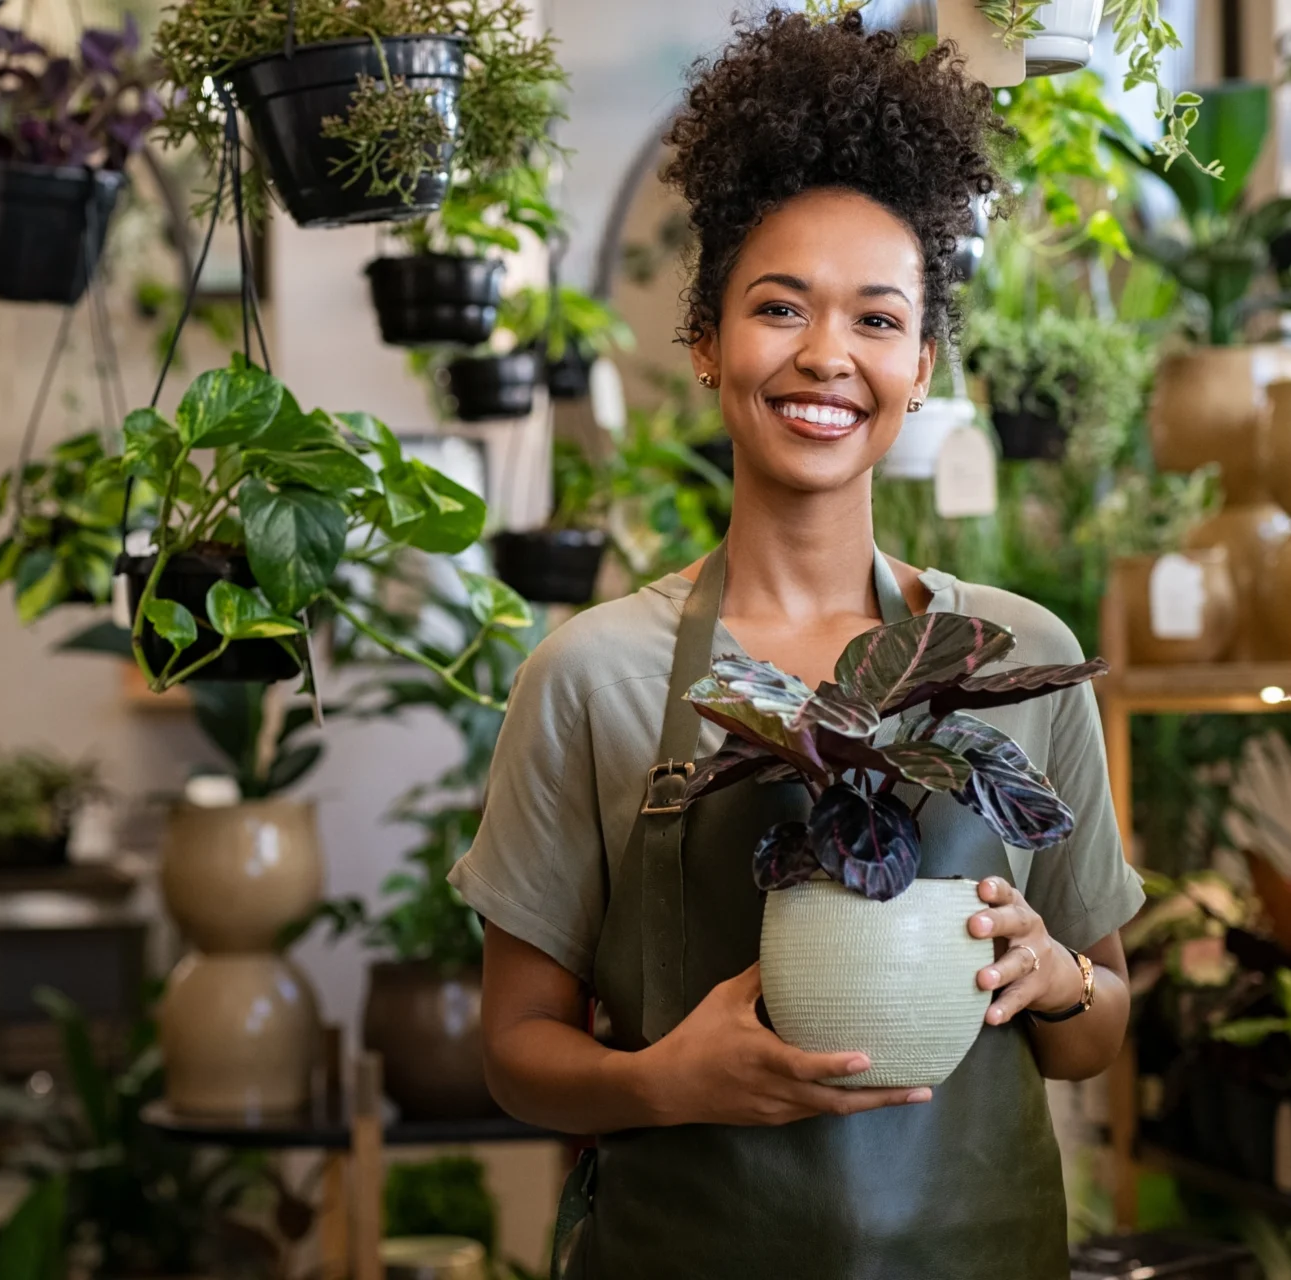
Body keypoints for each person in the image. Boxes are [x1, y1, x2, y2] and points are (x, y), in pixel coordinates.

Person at [445, 12, 1144, 1278]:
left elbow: (1098, 1024)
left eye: (878, 320)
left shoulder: (1016, 652)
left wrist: (1055, 976)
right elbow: (515, 1050)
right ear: (707, 342)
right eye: (780, 307)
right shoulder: (593, 675)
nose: (828, 354)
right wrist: (667, 1080)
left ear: (923, 364)